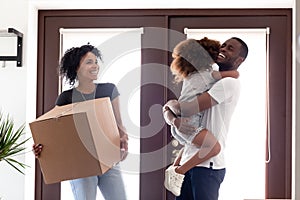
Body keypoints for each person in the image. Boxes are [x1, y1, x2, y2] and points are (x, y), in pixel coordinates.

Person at [33, 44, 128, 200]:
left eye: (96, 61)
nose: (95, 66)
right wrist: (42, 149)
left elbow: (119, 125)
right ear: (76, 68)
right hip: (81, 165)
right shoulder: (66, 98)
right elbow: (52, 132)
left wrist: (124, 141)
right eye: (89, 62)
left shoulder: (109, 90)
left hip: (109, 160)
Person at [163, 37, 248, 200]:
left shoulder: (228, 83)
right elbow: (185, 115)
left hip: (207, 167)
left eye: (230, 49)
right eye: (223, 46)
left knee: (213, 146)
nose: (223, 49)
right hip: (191, 161)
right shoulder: (207, 78)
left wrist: (171, 107)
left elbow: (188, 108)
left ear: (239, 60)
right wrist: (173, 117)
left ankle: (177, 171)